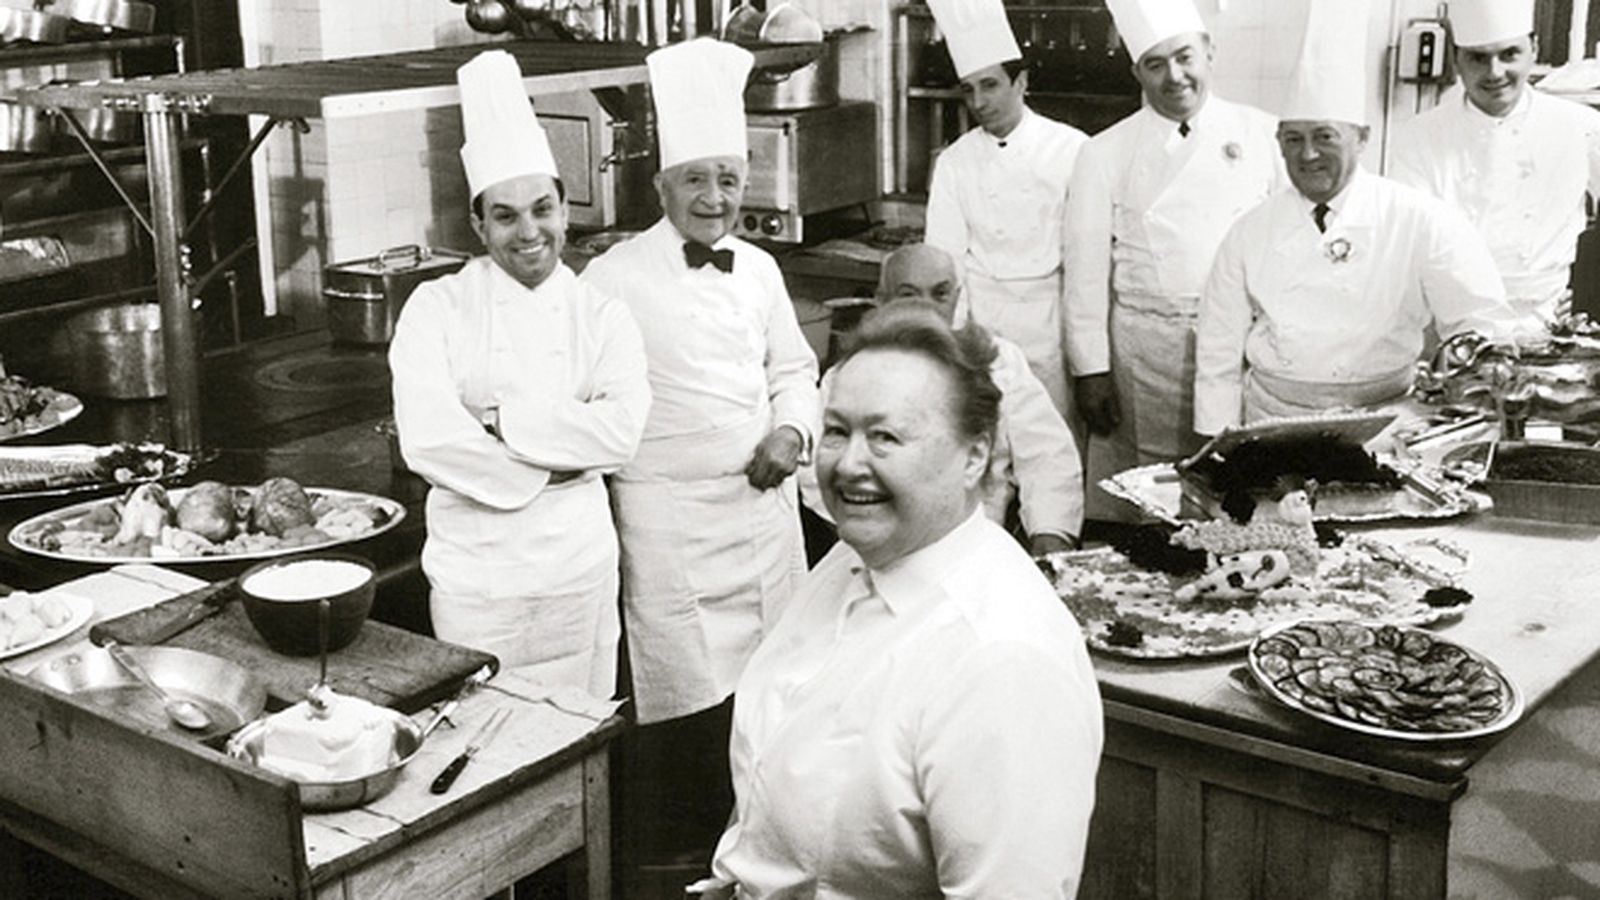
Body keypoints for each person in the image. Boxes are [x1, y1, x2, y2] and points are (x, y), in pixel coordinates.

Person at [689, 302, 1104, 899]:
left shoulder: (1002, 660)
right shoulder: (849, 559)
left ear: (975, 455)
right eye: (837, 430)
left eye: (885, 436)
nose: (850, 463)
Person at [579, 38, 819, 863]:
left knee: (777, 689)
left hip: (762, 511)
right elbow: (582, 389)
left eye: (728, 178)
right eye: (696, 179)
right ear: (661, 187)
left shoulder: (758, 270)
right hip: (668, 520)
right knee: (680, 702)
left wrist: (792, 431)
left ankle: (769, 841)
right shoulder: (610, 278)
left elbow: (794, 368)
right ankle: (680, 859)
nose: (714, 197)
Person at [388, 50, 650, 697]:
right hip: (478, 581)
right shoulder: (436, 308)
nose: (528, 231)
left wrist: (501, 423)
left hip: (579, 570)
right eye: (504, 215)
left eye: (542, 208)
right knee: (478, 725)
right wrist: (561, 457)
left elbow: (621, 437)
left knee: (580, 728)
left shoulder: (604, 315)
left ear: (565, 209)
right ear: (478, 223)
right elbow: (427, 440)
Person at [1192, 0, 1517, 434]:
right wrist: (1216, 441)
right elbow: (1218, 348)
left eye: (1325, 136)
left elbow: (1479, 319)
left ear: (1361, 137)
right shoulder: (1249, 231)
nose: (1308, 155)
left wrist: (1469, 392)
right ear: (1279, 142)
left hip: (1389, 422)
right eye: (1293, 139)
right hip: (1274, 421)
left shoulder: (1421, 219)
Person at [1063, 0, 1281, 482]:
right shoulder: (1102, 153)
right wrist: (1090, 370)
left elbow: (1288, 252)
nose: (1175, 76)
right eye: (1155, 64)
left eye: (1184, 57)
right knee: (1150, 488)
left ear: (1209, 52)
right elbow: (1085, 274)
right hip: (1145, 350)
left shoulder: (1264, 134)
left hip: (1239, 344)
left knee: (1236, 481)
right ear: (1136, 71)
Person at [801, 243, 1084, 556]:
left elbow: (1047, 456)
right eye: (909, 294)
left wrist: (1049, 536)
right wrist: (868, 531)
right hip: (878, 545)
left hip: (982, 545)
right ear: (881, 301)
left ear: (957, 297)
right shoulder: (853, 373)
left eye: (940, 294)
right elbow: (815, 468)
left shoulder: (1000, 362)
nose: (927, 307)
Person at [923, 0, 1089, 419]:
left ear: (1021, 82)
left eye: (990, 85)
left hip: (1051, 327)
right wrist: (955, 342)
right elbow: (945, 263)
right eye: (968, 89)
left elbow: (1087, 262)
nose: (978, 102)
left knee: (1052, 447)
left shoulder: (1073, 150)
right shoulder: (954, 162)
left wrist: (1086, 358)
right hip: (981, 329)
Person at [1389, 0, 1600, 327]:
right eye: (1477, 57)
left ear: (1534, 48)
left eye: (1509, 54)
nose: (1494, 72)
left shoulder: (1582, 126)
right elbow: (1408, 245)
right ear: (1456, 60)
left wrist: (1589, 291)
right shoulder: (1418, 138)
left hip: (1552, 322)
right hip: (1455, 324)